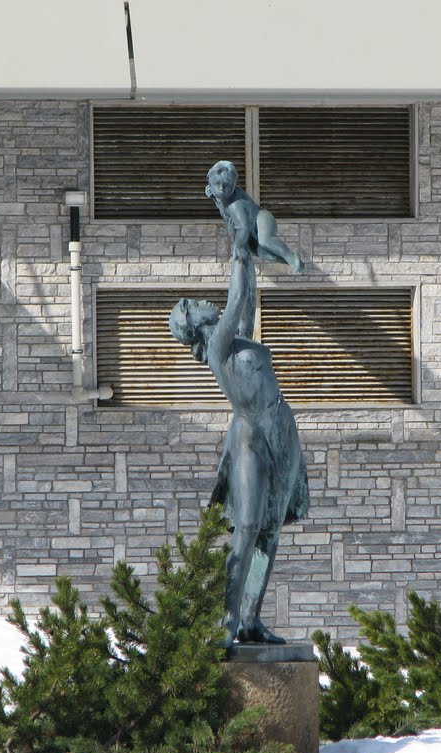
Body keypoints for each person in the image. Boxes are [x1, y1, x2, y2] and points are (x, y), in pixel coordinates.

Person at [168, 163, 309, 644]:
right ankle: (227, 622)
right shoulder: (218, 343)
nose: (201, 302)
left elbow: (245, 302)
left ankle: (250, 619)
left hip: (280, 427)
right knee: (246, 526)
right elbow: (237, 299)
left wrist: (244, 238)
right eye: (193, 304)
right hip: (250, 432)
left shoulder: (236, 338)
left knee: (271, 530)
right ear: (194, 322)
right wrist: (236, 254)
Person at [205, 160, 303, 338]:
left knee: (265, 241)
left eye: (226, 186)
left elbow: (243, 227)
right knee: (262, 252)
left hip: (262, 219)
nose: (221, 189)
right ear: (210, 184)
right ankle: (285, 259)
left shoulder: (235, 204)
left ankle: (291, 256)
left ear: (234, 185)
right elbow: (224, 211)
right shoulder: (220, 197)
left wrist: (240, 247)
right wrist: (213, 198)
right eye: (217, 185)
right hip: (252, 228)